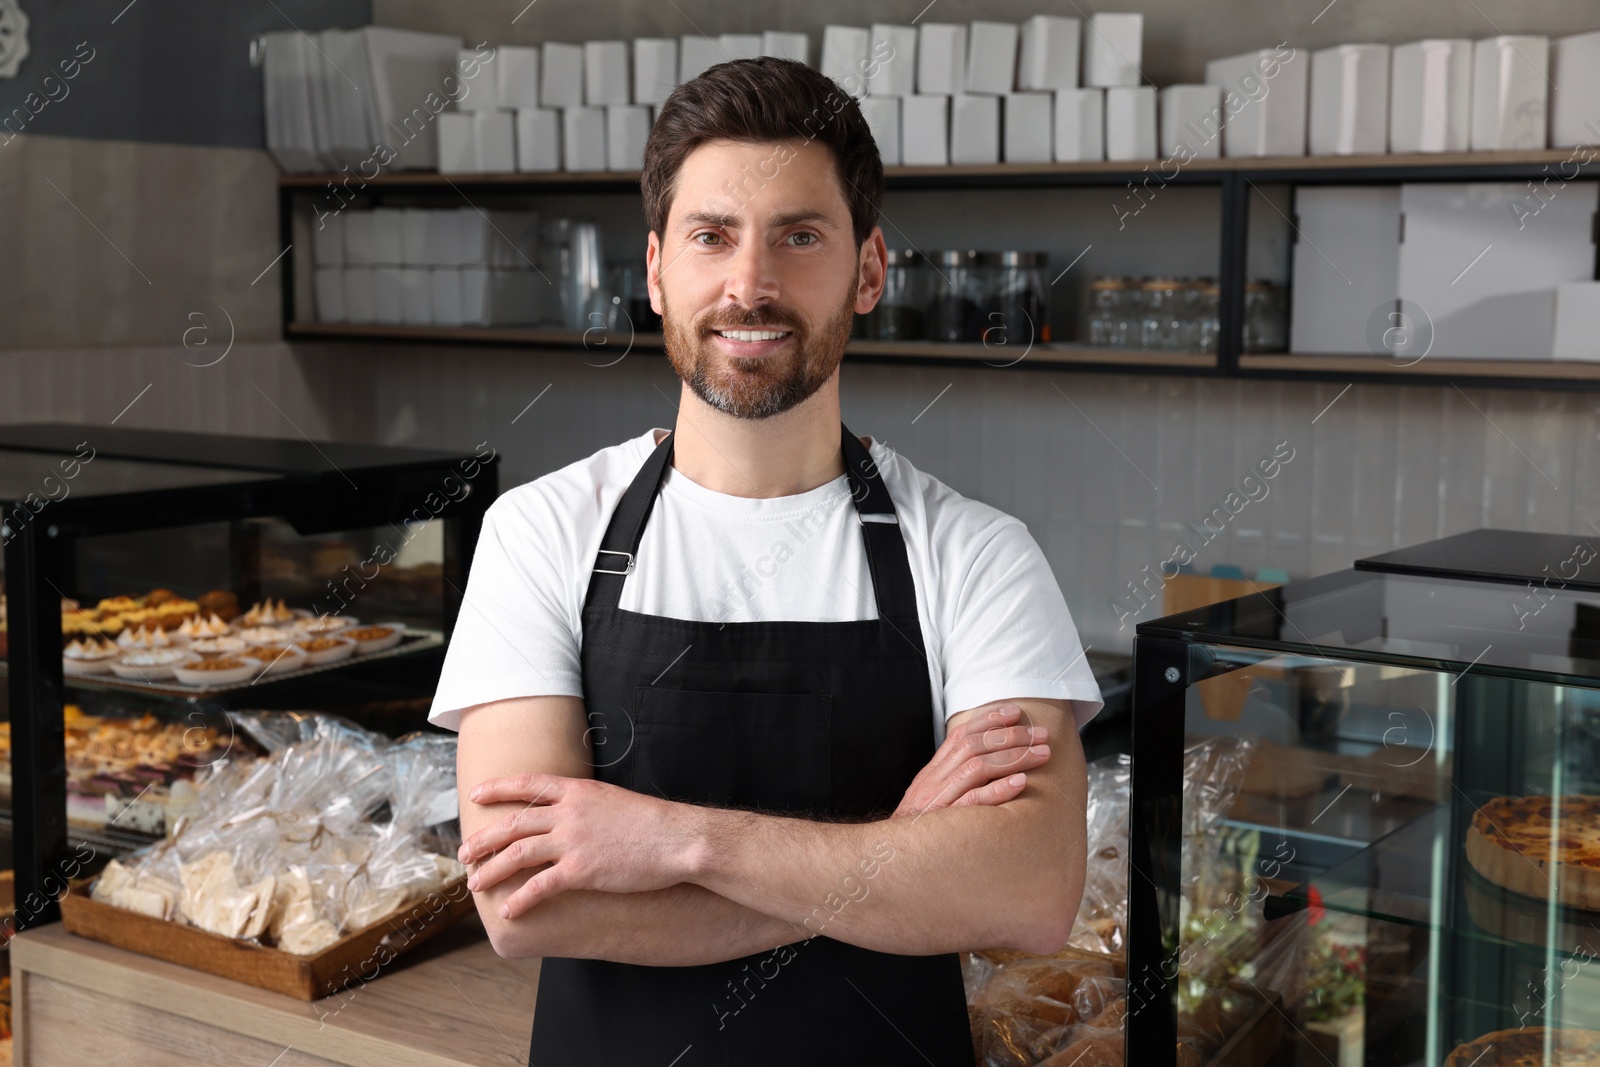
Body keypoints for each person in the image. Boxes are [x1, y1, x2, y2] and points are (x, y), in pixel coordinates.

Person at [428, 56, 1102, 1067]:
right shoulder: (540, 531)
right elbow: (527, 903)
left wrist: (674, 841)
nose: (751, 282)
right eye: (712, 235)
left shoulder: (975, 553)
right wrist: (892, 852)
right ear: (656, 270)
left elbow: (1027, 892)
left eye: (799, 234)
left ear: (869, 270)